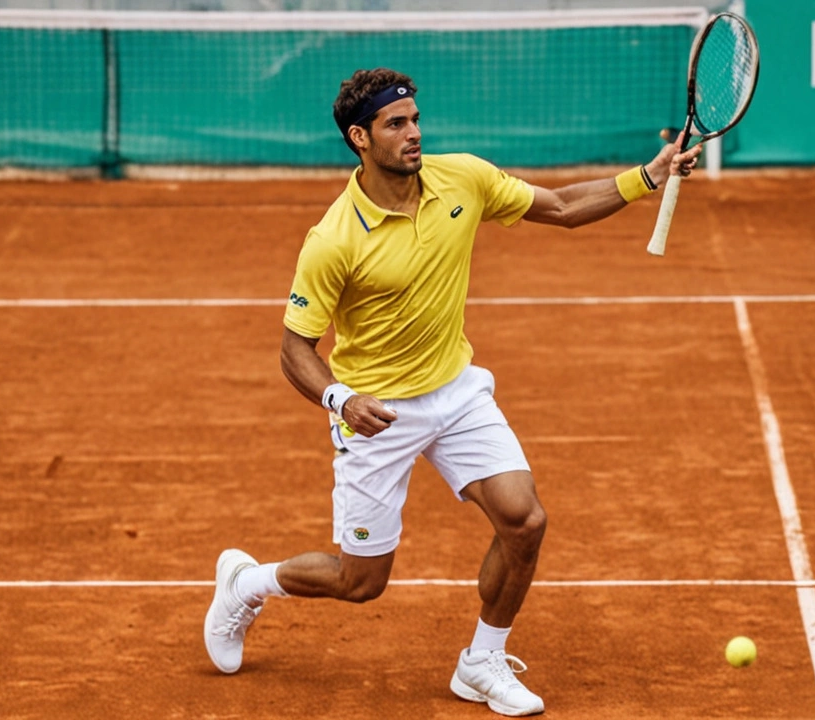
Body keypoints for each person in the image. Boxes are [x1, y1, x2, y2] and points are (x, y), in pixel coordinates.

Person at [204, 67, 700, 717]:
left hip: (457, 391)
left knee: (524, 521)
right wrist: (342, 400)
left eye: (414, 119)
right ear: (360, 137)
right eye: (396, 125)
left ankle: (482, 662)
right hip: (376, 413)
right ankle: (248, 583)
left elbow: (562, 208)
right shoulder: (333, 240)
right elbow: (294, 349)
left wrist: (649, 176)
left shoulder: (461, 177)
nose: (414, 133)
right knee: (361, 583)